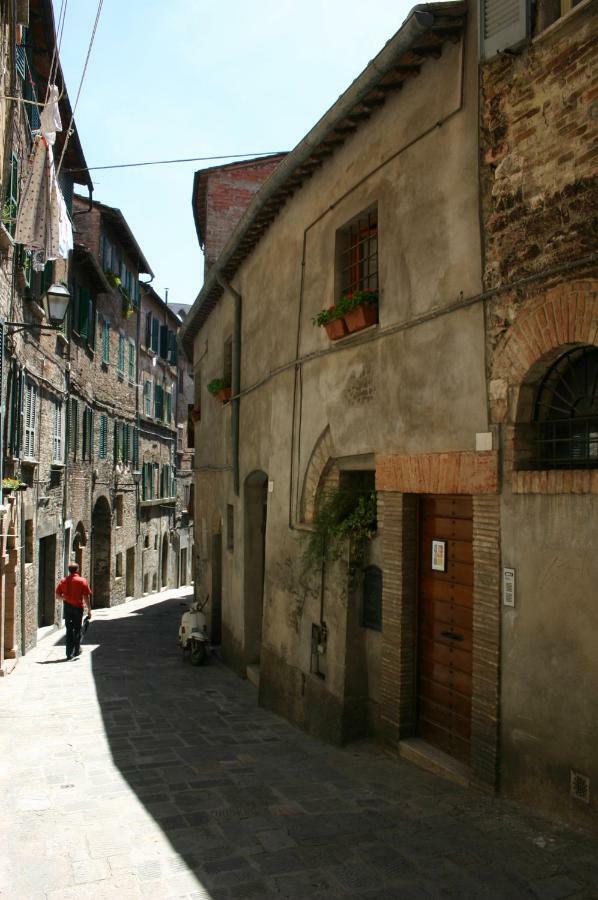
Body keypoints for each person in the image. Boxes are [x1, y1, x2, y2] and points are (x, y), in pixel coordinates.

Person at [56, 563, 92, 660]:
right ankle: (76, 651)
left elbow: (57, 596)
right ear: (77, 570)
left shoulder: (63, 581)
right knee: (77, 629)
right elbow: (86, 597)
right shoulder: (82, 581)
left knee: (68, 630)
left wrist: (66, 598)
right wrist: (89, 610)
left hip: (67, 607)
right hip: (78, 608)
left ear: (69, 570)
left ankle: (68, 653)